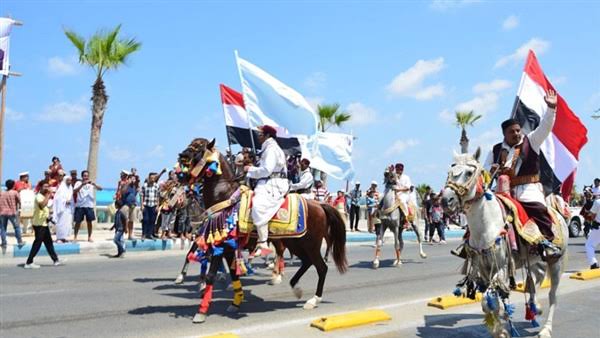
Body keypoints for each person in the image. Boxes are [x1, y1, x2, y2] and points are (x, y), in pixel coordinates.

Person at [484, 88, 561, 258]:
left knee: (538, 209)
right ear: (504, 134)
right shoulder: (495, 149)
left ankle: (546, 242)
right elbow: (485, 172)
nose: (516, 133)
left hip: (528, 189)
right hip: (502, 192)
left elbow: (546, 126)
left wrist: (551, 109)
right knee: (483, 213)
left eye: (518, 130)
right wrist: (491, 171)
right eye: (512, 132)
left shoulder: (532, 140)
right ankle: (475, 247)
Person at [244, 125, 288, 256]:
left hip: (273, 184)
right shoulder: (267, 148)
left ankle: (262, 242)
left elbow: (267, 170)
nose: (258, 136)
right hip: (267, 181)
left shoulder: (271, 149)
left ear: (268, 136)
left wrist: (250, 170)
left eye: (260, 134)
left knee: (258, 205)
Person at [24, 183, 64, 269]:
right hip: (39, 224)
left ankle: (55, 260)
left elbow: (44, 210)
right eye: (45, 186)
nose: (47, 188)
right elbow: (42, 205)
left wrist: (49, 218)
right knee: (37, 243)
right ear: (40, 187)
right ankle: (29, 262)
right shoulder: (38, 196)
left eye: (48, 186)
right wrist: (48, 195)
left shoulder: (43, 196)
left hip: (44, 224)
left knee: (49, 243)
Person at [73, 170, 102, 242]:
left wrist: (94, 184)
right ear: (82, 176)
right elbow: (74, 191)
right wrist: (82, 184)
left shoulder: (91, 184)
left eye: (87, 176)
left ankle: (89, 237)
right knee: (78, 222)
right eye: (84, 176)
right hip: (80, 205)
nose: (85, 177)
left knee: (89, 222)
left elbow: (100, 189)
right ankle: (75, 237)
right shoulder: (78, 183)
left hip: (89, 205)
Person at [0, 180, 24, 247]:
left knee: (3, 228)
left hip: (2, 213)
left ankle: (4, 243)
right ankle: (20, 242)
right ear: (13, 185)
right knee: (16, 227)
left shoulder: (2, 193)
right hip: (12, 212)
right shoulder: (15, 192)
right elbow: (20, 201)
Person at [53, 176, 74, 243]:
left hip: (68, 209)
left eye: (70, 180)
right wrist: (65, 201)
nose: (69, 182)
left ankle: (64, 238)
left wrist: (70, 202)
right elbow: (57, 199)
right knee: (61, 223)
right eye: (68, 180)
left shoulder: (70, 188)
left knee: (67, 224)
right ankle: (59, 238)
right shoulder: (61, 188)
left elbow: (72, 198)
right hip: (62, 209)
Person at [140, 172, 160, 240]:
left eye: (154, 178)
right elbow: (142, 195)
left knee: (152, 220)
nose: (152, 179)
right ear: (149, 178)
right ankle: (144, 234)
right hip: (146, 205)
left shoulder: (156, 186)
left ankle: (150, 234)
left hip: (153, 205)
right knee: (145, 220)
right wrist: (141, 205)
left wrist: (157, 206)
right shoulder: (145, 185)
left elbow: (158, 196)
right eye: (151, 178)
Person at [119, 174, 138, 240]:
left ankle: (130, 235)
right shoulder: (124, 185)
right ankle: (121, 235)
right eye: (132, 179)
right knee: (124, 220)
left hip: (133, 206)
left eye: (134, 179)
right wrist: (127, 183)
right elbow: (122, 192)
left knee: (131, 221)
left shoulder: (134, 187)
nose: (133, 180)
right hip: (125, 205)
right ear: (128, 179)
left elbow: (134, 195)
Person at [585, 196, 600, 269]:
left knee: (589, 245)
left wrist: (587, 212)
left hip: (598, 227)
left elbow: (592, 215)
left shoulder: (598, 202)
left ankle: (593, 263)